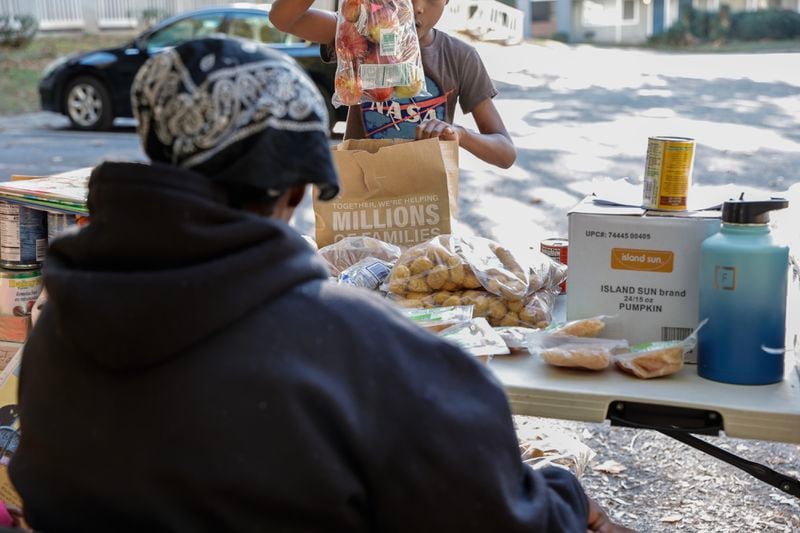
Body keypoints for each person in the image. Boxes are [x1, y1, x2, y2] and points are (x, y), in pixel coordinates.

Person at [9, 37, 629, 532]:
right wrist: (572, 500)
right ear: (297, 191)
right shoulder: (360, 349)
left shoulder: (57, 329)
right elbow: (497, 511)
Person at [270, 0, 517, 169]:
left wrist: (460, 134)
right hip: (359, 198)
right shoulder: (357, 32)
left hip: (427, 207)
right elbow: (283, 19)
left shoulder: (460, 57)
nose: (417, 7)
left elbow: (505, 153)